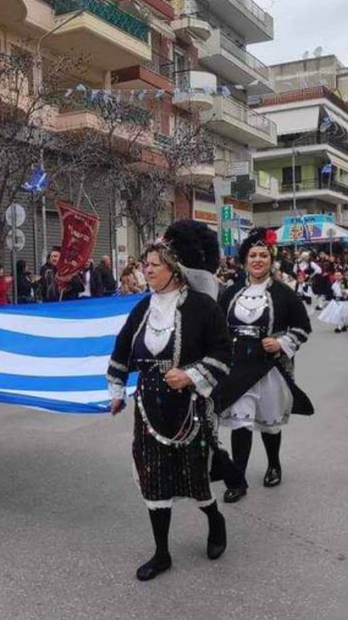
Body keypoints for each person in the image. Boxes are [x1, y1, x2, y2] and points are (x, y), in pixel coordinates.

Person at [106, 220, 231, 582]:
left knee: (195, 478)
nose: (146, 270)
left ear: (174, 270)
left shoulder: (203, 307)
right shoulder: (142, 308)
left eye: (153, 266)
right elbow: (121, 349)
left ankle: (214, 519)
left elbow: (223, 353)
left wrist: (190, 374)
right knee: (155, 478)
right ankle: (161, 553)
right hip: (149, 407)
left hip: (189, 407)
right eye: (145, 265)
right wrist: (117, 391)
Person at [215, 228, 314, 503]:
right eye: (252, 255)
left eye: (262, 255)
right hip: (239, 367)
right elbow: (217, 327)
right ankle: (239, 478)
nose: (257, 260)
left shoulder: (284, 293)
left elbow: (303, 328)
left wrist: (281, 342)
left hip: (270, 368)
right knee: (240, 420)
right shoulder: (231, 292)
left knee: (270, 424)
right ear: (245, 260)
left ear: (270, 259)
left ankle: (274, 464)